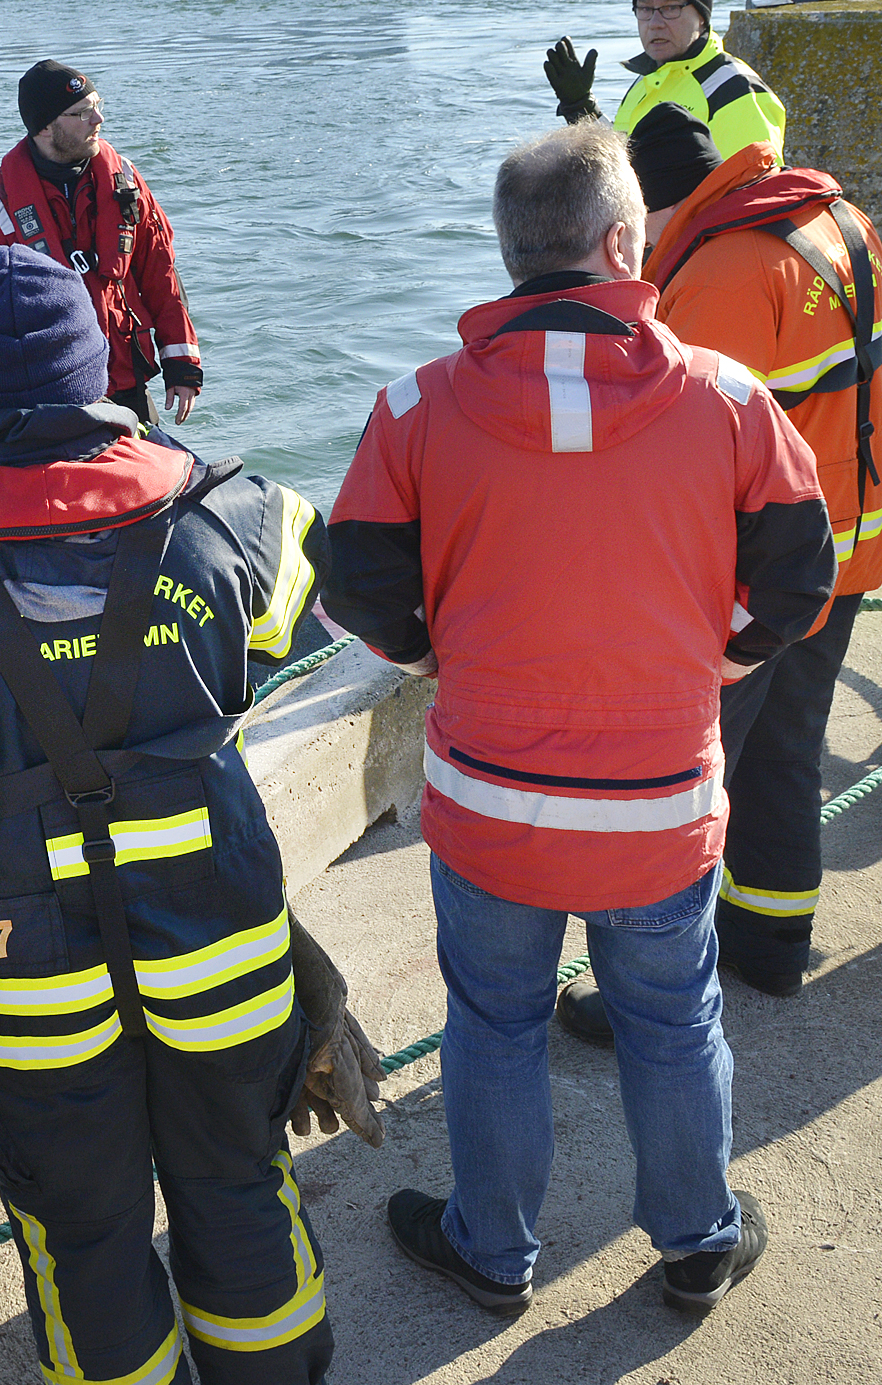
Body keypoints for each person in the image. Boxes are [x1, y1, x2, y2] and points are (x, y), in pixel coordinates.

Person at [0, 244, 342, 1385]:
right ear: (100, 375)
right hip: (222, 937)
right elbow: (333, 608)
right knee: (240, 1186)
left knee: (80, 1236)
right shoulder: (229, 511)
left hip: (24, 977)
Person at [324, 121, 835, 1317]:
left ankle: (492, 1249)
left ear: (511, 248)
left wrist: (434, 646)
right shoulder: (726, 398)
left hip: (489, 796)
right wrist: (713, 657)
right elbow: (800, 576)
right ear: (622, 239)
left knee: (493, 1023)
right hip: (657, 793)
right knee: (670, 1018)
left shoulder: (412, 407)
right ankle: (697, 1239)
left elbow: (356, 587)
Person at [551, 105, 882, 1040]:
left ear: (649, 213)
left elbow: (685, 450)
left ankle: (648, 995)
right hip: (849, 543)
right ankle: (772, 946)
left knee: (688, 779)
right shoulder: (839, 220)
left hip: (754, 573)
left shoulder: (721, 272)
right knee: (788, 753)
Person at [0, 59, 204, 428]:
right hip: (41, 392)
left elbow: (161, 275)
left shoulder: (126, 182)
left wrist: (181, 362)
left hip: (124, 382)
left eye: (98, 106)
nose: (98, 120)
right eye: (82, 112)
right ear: (44, 126)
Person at [543, 0, 786, 160]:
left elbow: (754, 198)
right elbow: (622, 168)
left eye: (671, 8)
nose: (655, 23)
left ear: (702, 17)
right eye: (645, 9)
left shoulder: (735, 90)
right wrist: (581, 109)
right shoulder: (645, 83)